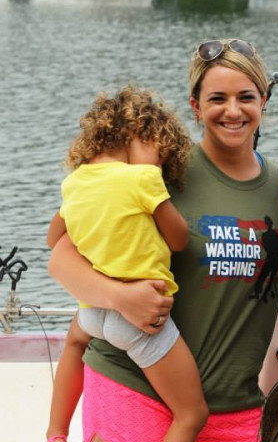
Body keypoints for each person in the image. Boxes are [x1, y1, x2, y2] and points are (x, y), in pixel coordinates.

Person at [48, 38, 278, 442]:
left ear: (264, 101)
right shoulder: (159, 173)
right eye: (217, 98)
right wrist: (118, 296)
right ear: (196, 106)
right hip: (138, 392)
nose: (233, 111)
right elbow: (60, 257)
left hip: (241, 410)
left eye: (245, 97)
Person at [45, 86, 206, 442]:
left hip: (92, 311)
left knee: (73, 344)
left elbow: (54, 238)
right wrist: (157, 201)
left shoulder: (74, 183)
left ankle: (56, 432)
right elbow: (178, 239)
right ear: (140, 135)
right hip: (141, 319)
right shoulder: (143, 179)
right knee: (192, 414)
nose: (161, 166)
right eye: (161, 154)